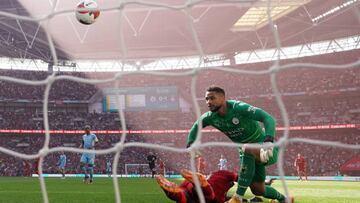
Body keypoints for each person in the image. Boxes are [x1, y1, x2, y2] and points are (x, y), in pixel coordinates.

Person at [186, 86, 293, 203]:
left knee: (247, 148)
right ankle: (284, 199)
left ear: (223, 98)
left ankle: (238, 197)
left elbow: (268, 118)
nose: (208, 102)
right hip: (246, 154)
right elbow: (196, 126)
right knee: (258, 190)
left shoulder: (239, 108)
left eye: (212, 98)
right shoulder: (210, 117)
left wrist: (268, 141)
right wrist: (191, 143)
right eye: (206, 99)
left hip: (265, 149)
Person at [157, 169, 264, 203]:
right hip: (210, 194)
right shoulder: (226, 176)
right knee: (211, 197)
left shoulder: (219, 173)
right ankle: (199, 186)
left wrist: (250, 200)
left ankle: (172, 191)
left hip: (190, 187)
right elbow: (242, 180)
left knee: (185, 193)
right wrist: (259, 184)